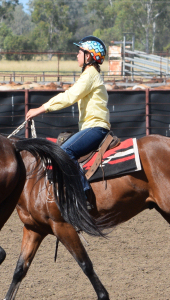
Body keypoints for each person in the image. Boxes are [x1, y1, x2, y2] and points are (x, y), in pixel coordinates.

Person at [25, 36, 110, 202]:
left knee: (64, 152)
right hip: (93, 127)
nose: (77, 55)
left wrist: (41, 109)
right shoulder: (90, 75)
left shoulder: (90, 75)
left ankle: (83, 196)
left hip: (95, 128)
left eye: (79, 52)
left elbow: (69, 96)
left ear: (88, 56)